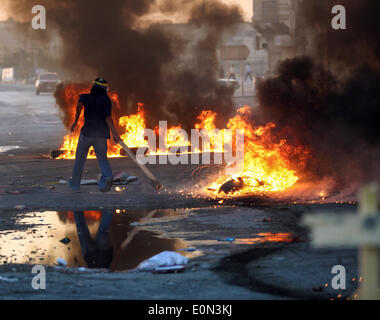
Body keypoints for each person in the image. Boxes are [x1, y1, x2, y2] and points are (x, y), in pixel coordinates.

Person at [69, 77, 121, 193]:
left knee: (80, 160)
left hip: (87, 134)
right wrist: (115, 134)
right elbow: (108, 119)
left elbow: (79, 106)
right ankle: (107, 178)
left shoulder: (85, 97)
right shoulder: (106, 100)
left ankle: (75, 186)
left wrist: (75, 121)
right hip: (101, 136)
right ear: (104, 89)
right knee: (102, 159)